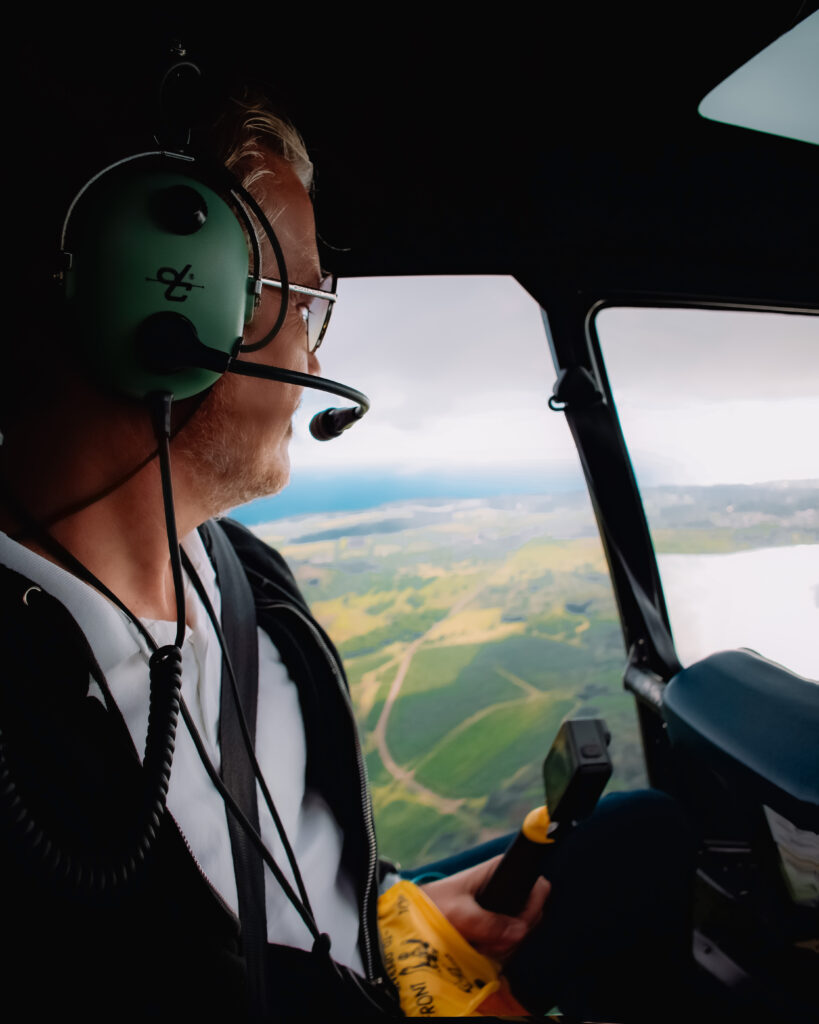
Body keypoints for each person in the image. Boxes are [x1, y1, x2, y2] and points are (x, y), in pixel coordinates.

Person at [1, 57, 698, 1022]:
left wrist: (392, 910)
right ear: (172, 304)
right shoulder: (26, 752)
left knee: (648, 835)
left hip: (361, 953)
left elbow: (298, 846)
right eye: (305, 301)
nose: (318, 357)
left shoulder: (243, 573)